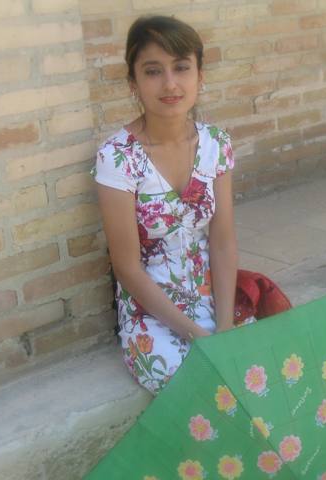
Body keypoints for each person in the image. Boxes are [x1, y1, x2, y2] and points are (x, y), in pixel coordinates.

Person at [93, 15, 243, 394]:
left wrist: (224, 329)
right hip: (152, 311)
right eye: (153, 71)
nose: (170, 84)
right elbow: (126, 268)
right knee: (197, 390)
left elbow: (222, 242)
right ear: (134, 84)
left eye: (181, 68)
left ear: (200, 76)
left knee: (253, 372)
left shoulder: (216, 144)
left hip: (213, 296)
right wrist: (196, 335)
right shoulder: (118, 157)